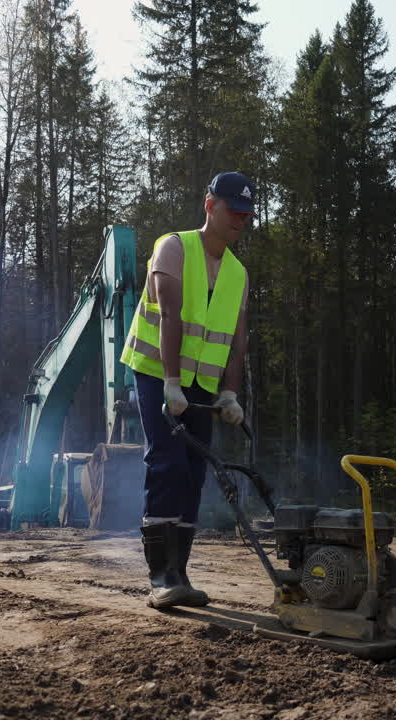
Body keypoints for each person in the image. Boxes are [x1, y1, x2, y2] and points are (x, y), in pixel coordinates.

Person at [120, 171, 254, 609]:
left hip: (203, 385)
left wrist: (230, 395)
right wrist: (172, 384)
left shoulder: (237, 273)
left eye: (245, 213)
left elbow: (237, 340)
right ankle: (161, 577)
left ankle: (179, 572)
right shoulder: (173, 247)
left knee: (196, 473)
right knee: (167, 463)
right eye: (232, 209)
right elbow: (171, 314)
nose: (239, 219)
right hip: (158, 371)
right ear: (209, 204)